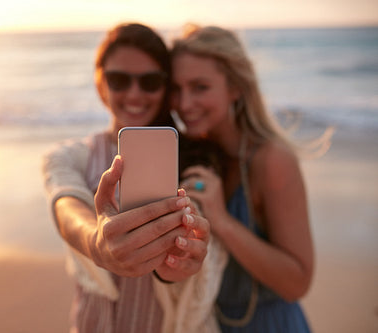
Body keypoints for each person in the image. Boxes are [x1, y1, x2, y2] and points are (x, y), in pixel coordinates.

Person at [43, 23, 226, 333]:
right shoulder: (70, 157)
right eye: (118, 80)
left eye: (150, 82)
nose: (134, 94)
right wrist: (96, 241)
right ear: (100, 82)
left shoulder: (196, 158)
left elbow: (188, 261)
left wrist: (178, 263)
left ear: (166, 88)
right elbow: (66, 207)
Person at [171, 24, 314, 332]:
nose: (184, 104)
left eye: (200, 87)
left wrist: (221, 220)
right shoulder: (197, 156)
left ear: (235, 87)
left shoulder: (272, 160)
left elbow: (297, 283)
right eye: (176, 89)